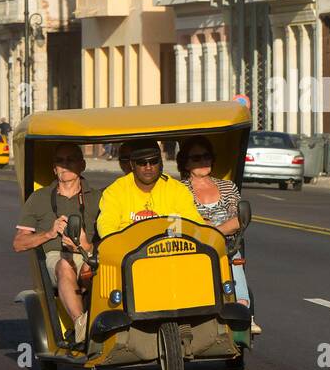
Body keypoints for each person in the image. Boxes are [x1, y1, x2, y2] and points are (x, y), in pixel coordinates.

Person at [13, 142, 101, 345]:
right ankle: (82, 327)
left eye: (71, 160)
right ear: (54, 168)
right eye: (60, 161)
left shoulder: (99, 198)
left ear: (82, 165)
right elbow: (18, 243)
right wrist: (49, 233)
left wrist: (86, 246)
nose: (65, 165)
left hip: (91, 256)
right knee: (64, 264)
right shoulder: (39, 197)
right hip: (56, 259)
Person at [177, 135, 260, 335]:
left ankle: (243, 311)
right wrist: (209, 232)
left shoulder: (227, 186)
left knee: (233, 255)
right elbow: (187, 220)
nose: (203, 161)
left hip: (227, 245)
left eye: (206, 156)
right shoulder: (179, 189)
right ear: (186, 163)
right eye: (196, 158)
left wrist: (215, 232)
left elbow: (238, 218)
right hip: (195, 247)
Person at [97, 140, 205, 238]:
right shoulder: (115, 191)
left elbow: (195, 226)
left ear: (161, 163)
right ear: (132, 165)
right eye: (142, 163)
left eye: (154, 161)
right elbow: (107, 228)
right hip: (129, 255)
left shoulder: (178, 190)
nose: (148, 167)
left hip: (171, 254)